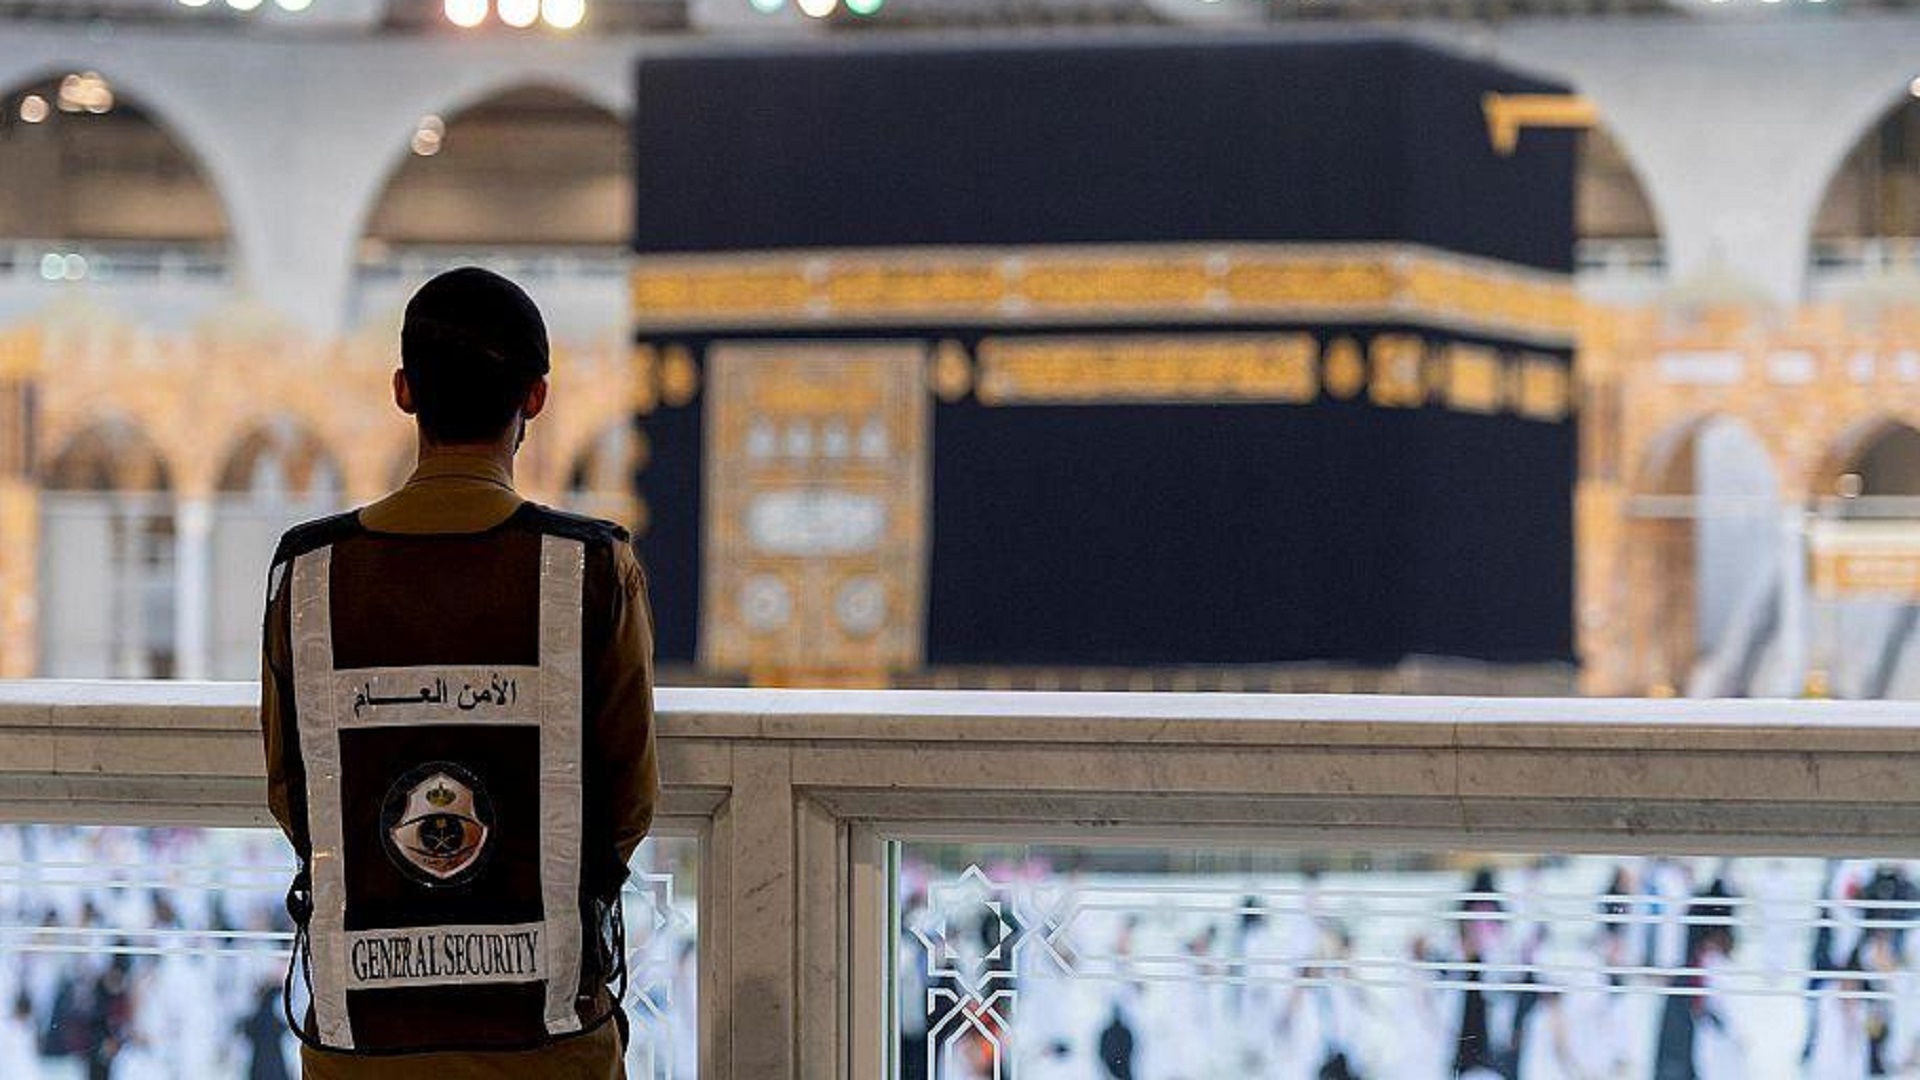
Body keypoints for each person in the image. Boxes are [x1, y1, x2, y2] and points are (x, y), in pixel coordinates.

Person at [259, 267, 659, 1078]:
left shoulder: (308, 573)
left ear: (404, 391)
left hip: (361, 1043)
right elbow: (627, 804)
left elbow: (293, 795)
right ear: (536, 399)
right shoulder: (586, 568)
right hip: (546, 1040)